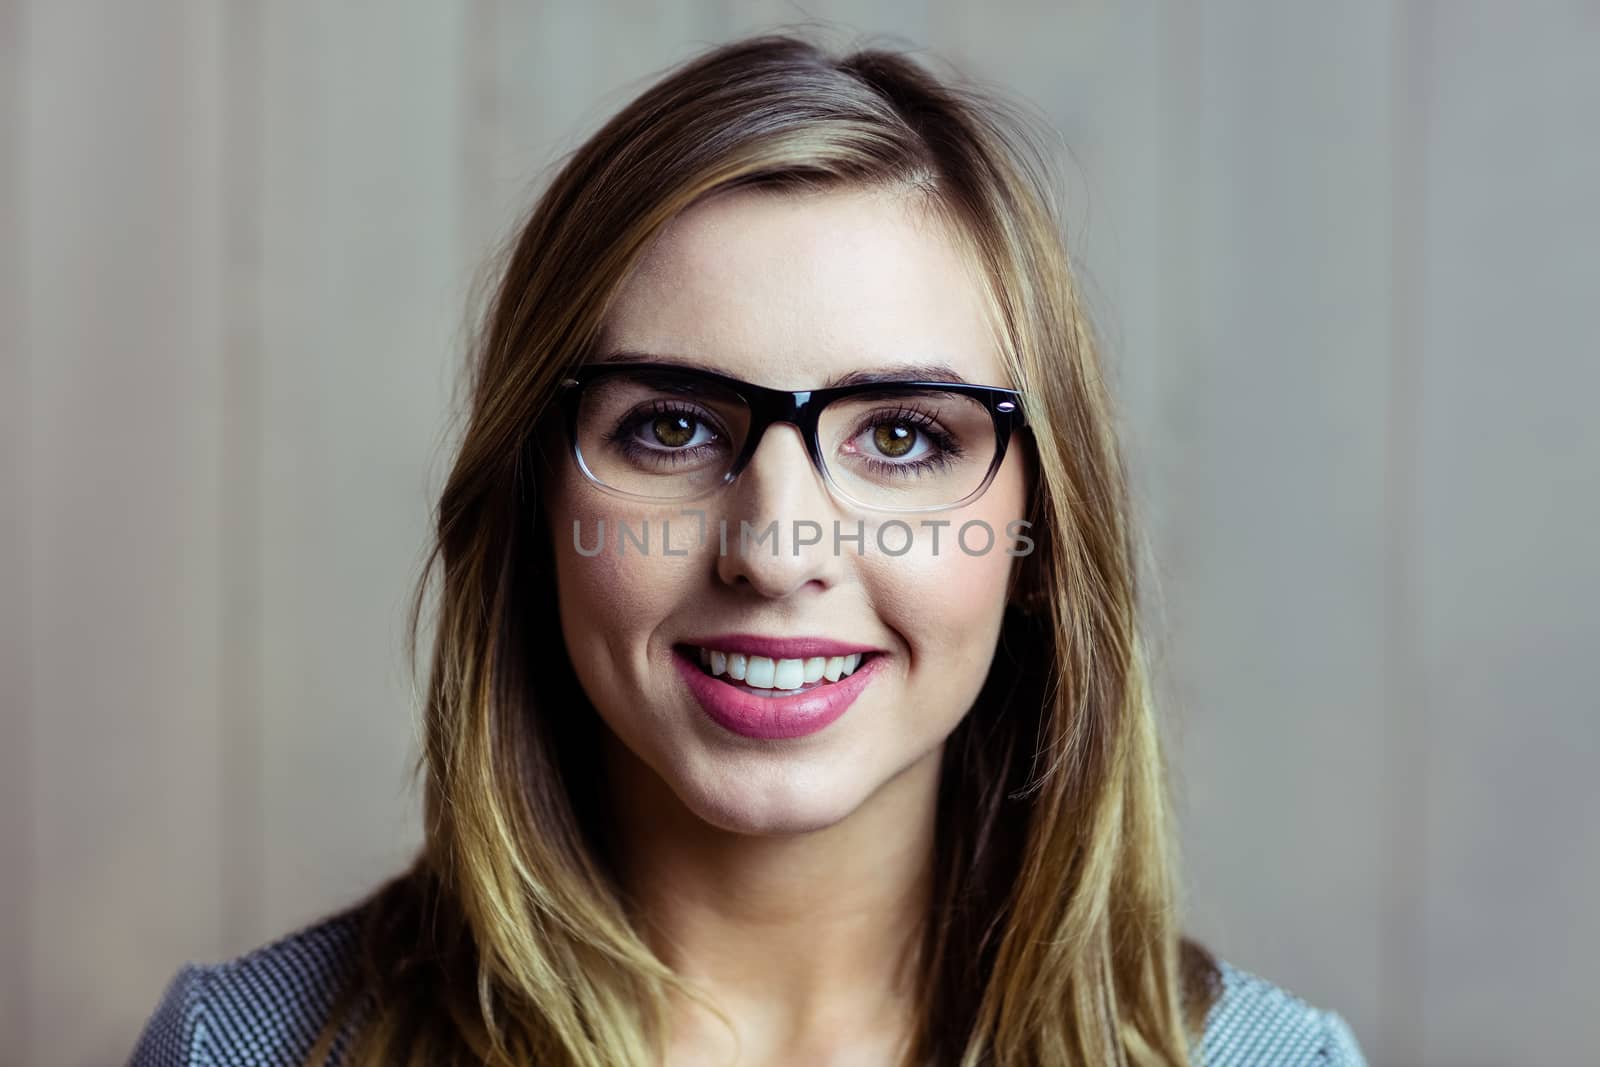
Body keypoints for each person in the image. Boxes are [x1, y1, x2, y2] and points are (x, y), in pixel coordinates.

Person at [128, 32, 1368, 1067]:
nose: (776, 550)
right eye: (670, 425)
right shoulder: (242, 1048)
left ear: (1039, 538)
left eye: (900, 434)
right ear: (531, 503)